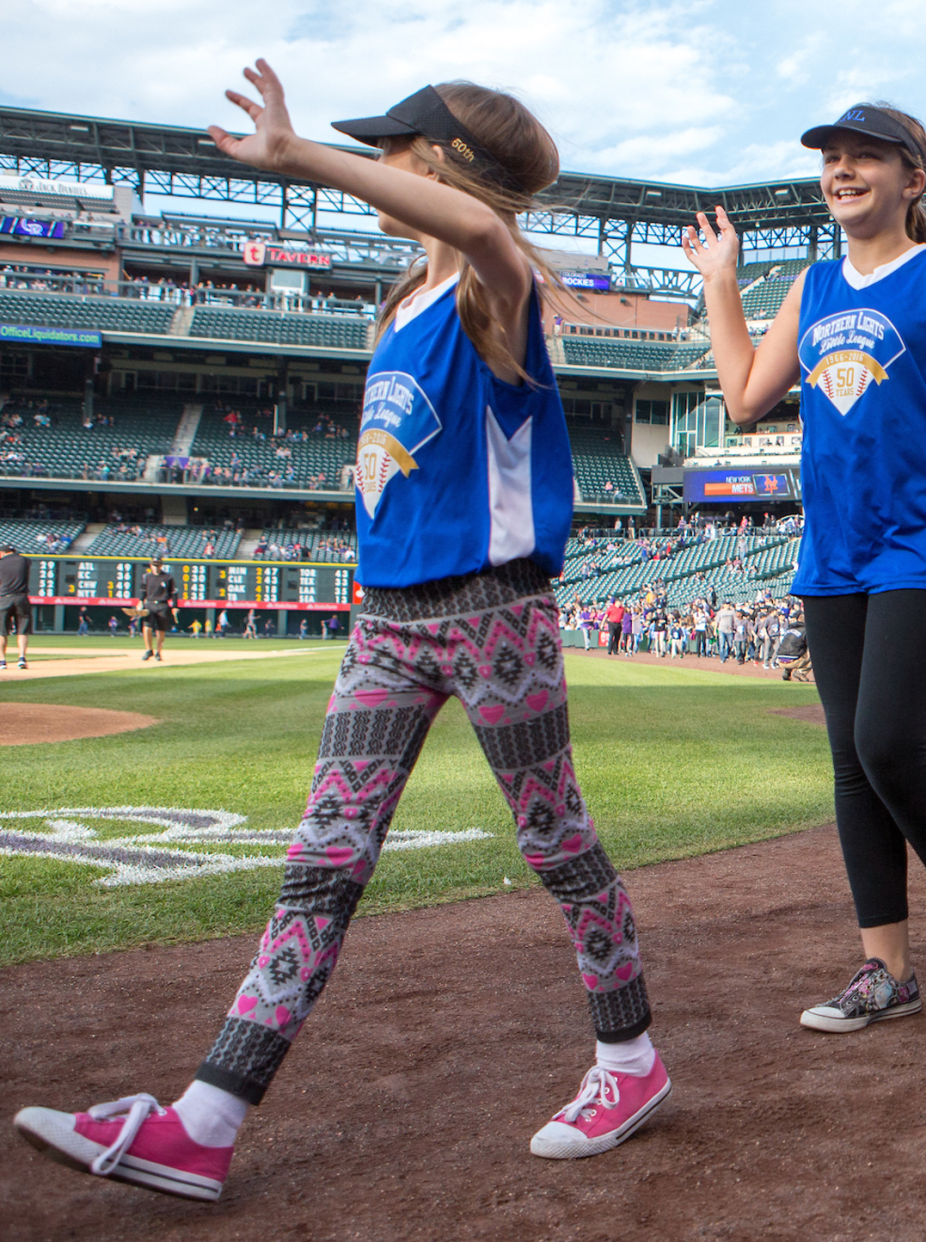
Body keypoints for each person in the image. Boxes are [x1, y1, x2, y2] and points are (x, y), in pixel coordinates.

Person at [14, 69, 668, 1200]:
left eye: (395, 150)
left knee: (557, 842)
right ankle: (204, 1122)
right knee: (321, 863)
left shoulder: (493, 289)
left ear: (446, 167)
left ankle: (630, 1061)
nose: (376, 164)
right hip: (386, 619)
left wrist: (297, 159)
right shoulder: (402, 303)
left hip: (492, 610)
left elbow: (477, 226)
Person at [686, 102, 926, 1031]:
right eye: (833, 159)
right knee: (851, 763)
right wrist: (722, 283)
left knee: (888, 741)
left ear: (913, 180)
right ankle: (887, 970)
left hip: (920, 544)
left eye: (865, 159)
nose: (843, 171)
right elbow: (746, 396)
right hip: (832, 552)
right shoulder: (809, 287)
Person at [137, 557, 179, 662]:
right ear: (151, 566)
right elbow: (143, 591)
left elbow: (173, 593)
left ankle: (158, 652)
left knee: (160, 630)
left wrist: (175, 607)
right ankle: (148, 650)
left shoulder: (167, 577)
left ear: (161, 566)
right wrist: (140, 601)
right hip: (150, 603)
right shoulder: (146, 577)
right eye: (154, 565)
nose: (156, 567)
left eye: (158, 565)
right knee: (147, 628)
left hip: (162, 604)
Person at [0, 542, 29, 670]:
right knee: (22, 630)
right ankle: (21, 658)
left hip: (5, 598)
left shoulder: (1, 563)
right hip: (22, 598)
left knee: (1, 632)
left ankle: (2, 661)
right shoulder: (24, 560)